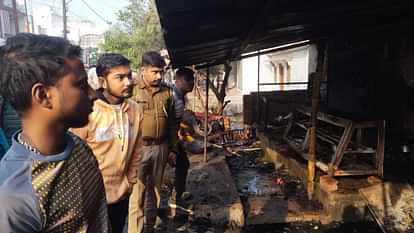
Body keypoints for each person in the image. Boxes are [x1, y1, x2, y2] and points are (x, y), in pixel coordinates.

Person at [0, 33, 111, 232]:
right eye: (80, 85)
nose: (93, 95)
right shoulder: (14, 196)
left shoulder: (78, 145)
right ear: (43, 96)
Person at [71, 53, 142, 233]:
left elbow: (137, 150)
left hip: (121, 194)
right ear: (102, 82)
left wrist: (130, 181)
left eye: (129, 76)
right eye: (120, 78)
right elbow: (73, 157)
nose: (128, 82)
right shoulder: (89, 111)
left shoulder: (134, 110)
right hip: (91, 199)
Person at [129, 51, 176, 233]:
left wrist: (173, 147)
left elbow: (172, 122)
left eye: (161, 72)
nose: (159, 76)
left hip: (161, 147)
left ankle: (150, 227)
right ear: (143, 70)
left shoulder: (166, 92)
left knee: (155, 192)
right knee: (137, 196)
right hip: (139, 149)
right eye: (155, 71)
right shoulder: (132, 91)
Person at [168, 68, 195, 212]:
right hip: (166, 141)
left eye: (192, 79)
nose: (191, 82)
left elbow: (176, 121)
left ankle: (177, 197)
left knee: (183, 164)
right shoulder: (172, 96)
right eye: (188, 79)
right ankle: (171, 201)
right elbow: (167, 123)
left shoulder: (181, 97)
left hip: (173, 139)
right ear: (178, 80)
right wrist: (171, 147)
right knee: (178, 166)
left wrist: (182, 131)